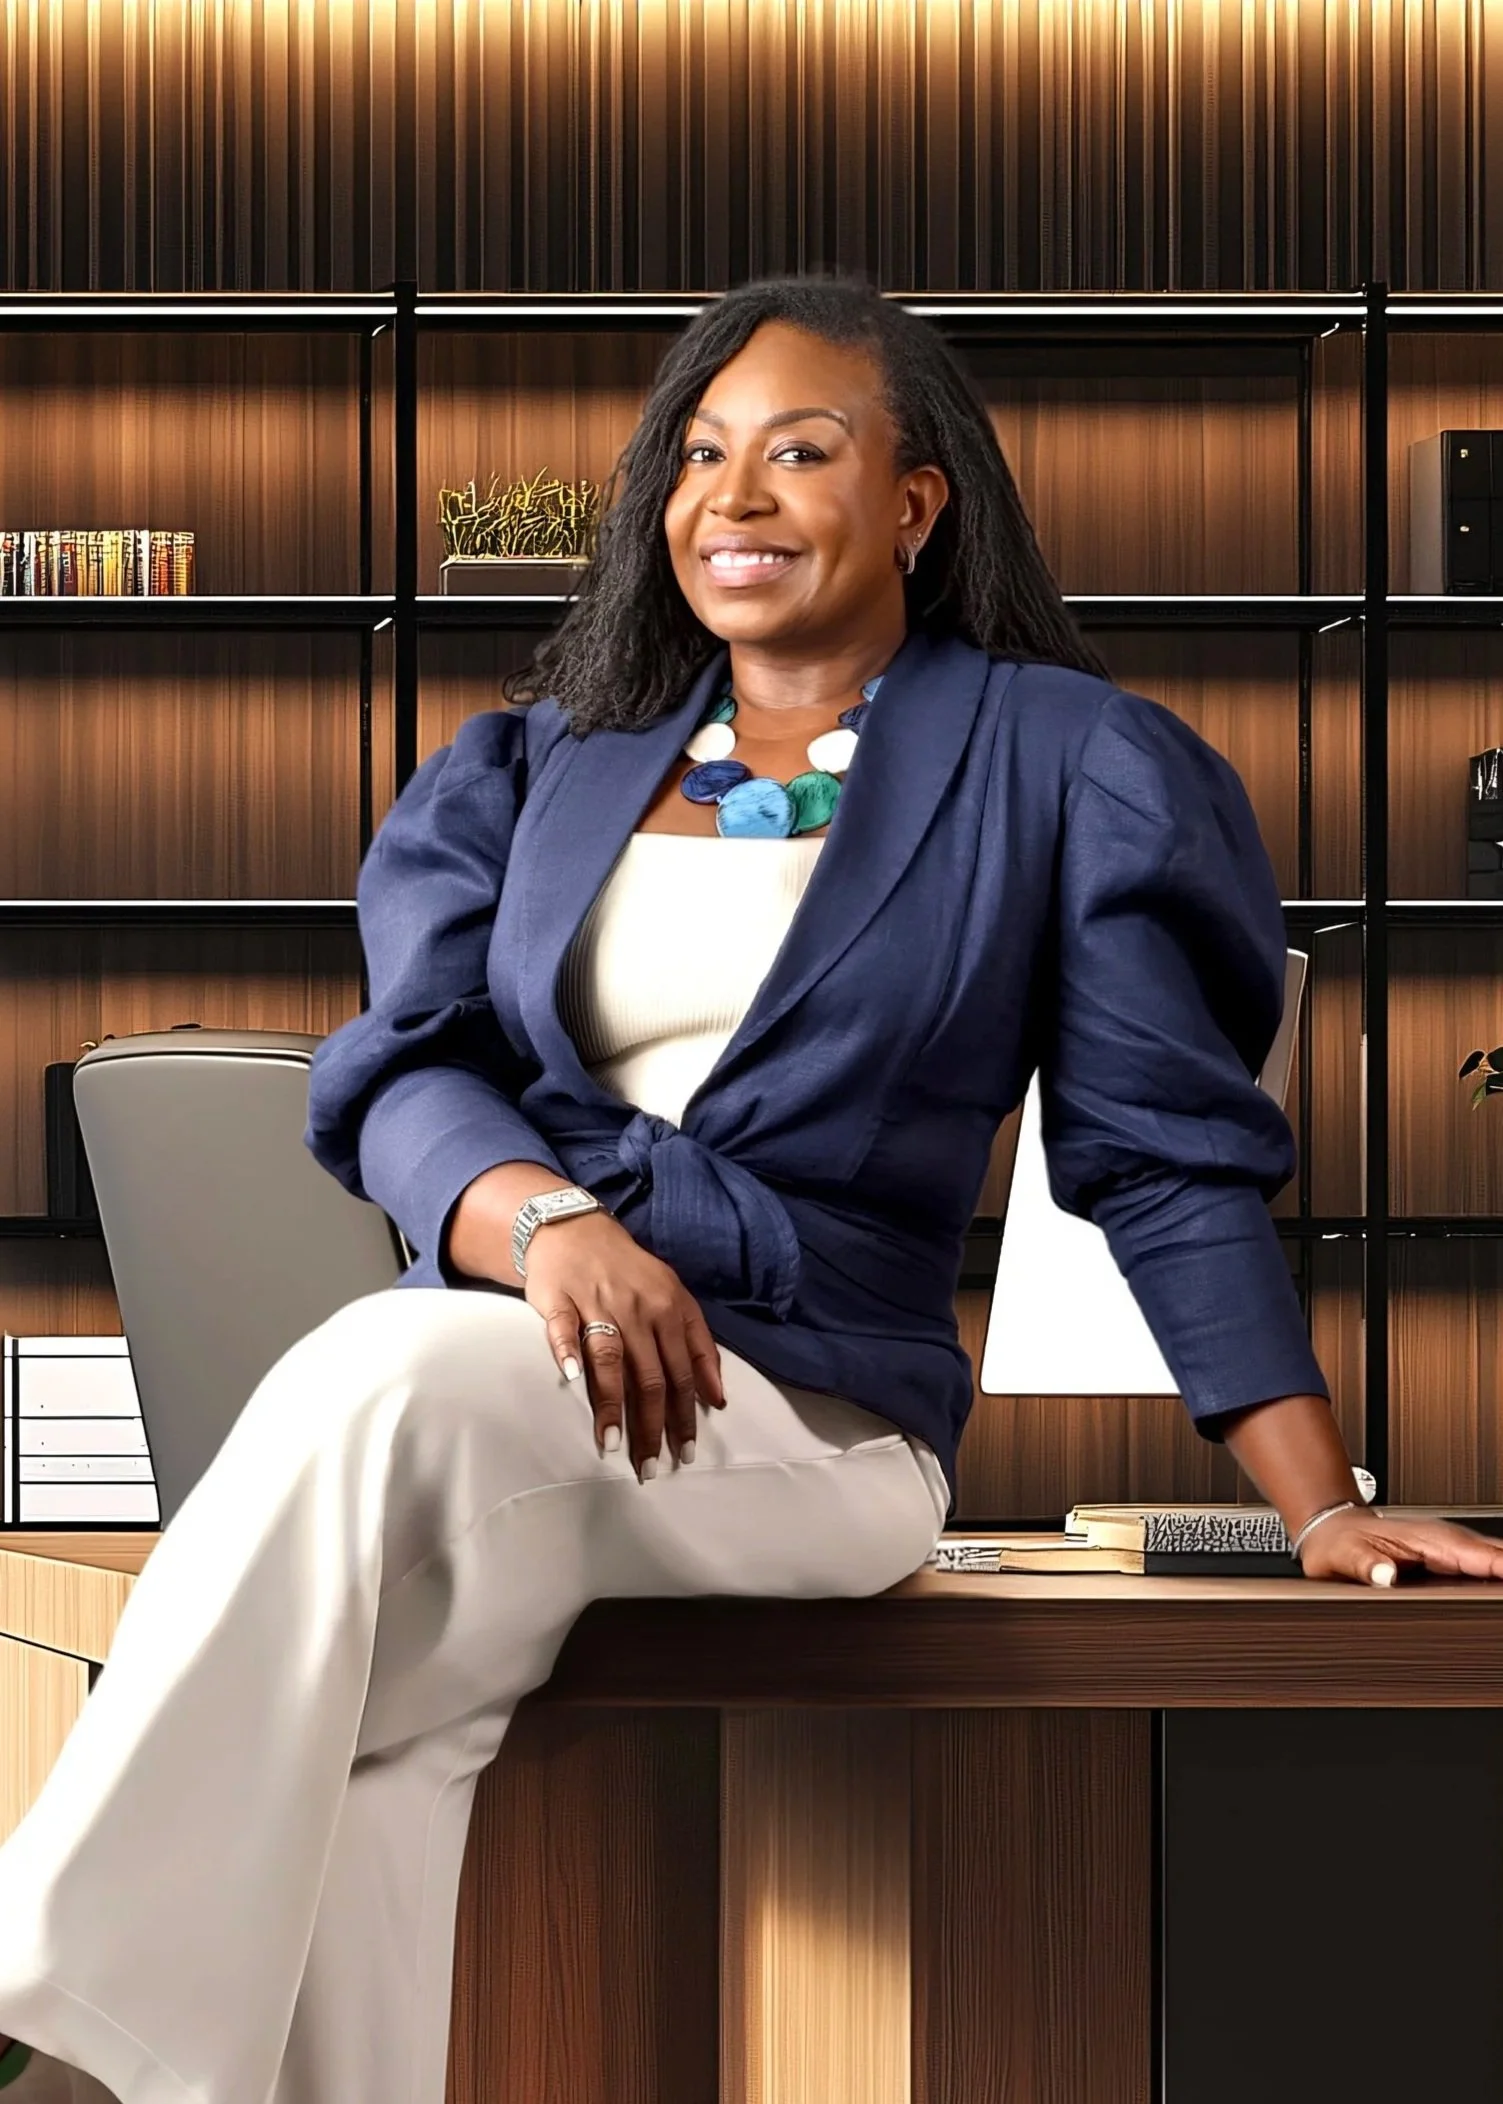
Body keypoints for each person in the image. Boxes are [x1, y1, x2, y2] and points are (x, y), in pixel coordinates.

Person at [2, 268, 1501, 2104]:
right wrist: (551, 1224)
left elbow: (1161, 1153)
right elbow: (402, 1069)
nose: (735, 498)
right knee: (385, 1709)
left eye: (800, 452)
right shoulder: (541, 763)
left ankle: (50, 2017)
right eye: (700, 456)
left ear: (913, 502)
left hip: (810, 1420)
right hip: (519, 1375)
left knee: (376, 1380)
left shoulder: (1067, 765)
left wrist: (1311, 1499)